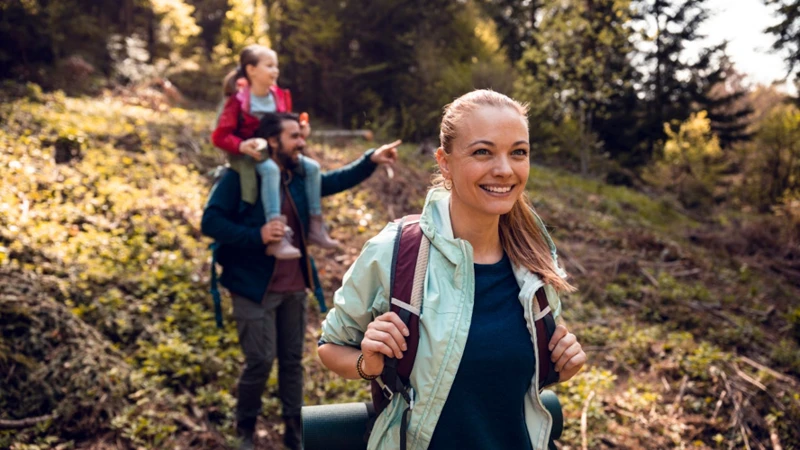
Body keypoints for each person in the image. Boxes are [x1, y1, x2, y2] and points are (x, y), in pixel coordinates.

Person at [317, 89, 587, 450]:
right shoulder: (396, 252)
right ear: (445, 162)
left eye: (518, 152)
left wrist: (559, 367)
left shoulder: (536, 256)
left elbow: (507, 384)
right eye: (482, 152)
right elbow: (330, 347)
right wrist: (370, 362)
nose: (504, 169)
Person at [202, 112, 401, 450]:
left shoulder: (297, 176)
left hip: (294, 286)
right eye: (294, 136)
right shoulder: (242, 177)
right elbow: (211, 221)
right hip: (252, 287)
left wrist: (370, 161)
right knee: (260, 360)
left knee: (292, 361)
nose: (302, 142)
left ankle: (294, 433)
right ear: (273, 141)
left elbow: (331, 182)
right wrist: (257, 234)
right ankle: (245, 429)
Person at [212, 44, 337, 260]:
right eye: (269, 66)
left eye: (276, 66)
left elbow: (287, 125)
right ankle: (276, 234)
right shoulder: (238, 100)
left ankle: (315, 226)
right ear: (251, 69)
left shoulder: (279, 96)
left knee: (313, 168)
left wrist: (300, 129)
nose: (275, 71)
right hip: (252, 155)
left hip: (279, 151)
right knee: (270, 170)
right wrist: (242, 146)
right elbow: (220, 136)